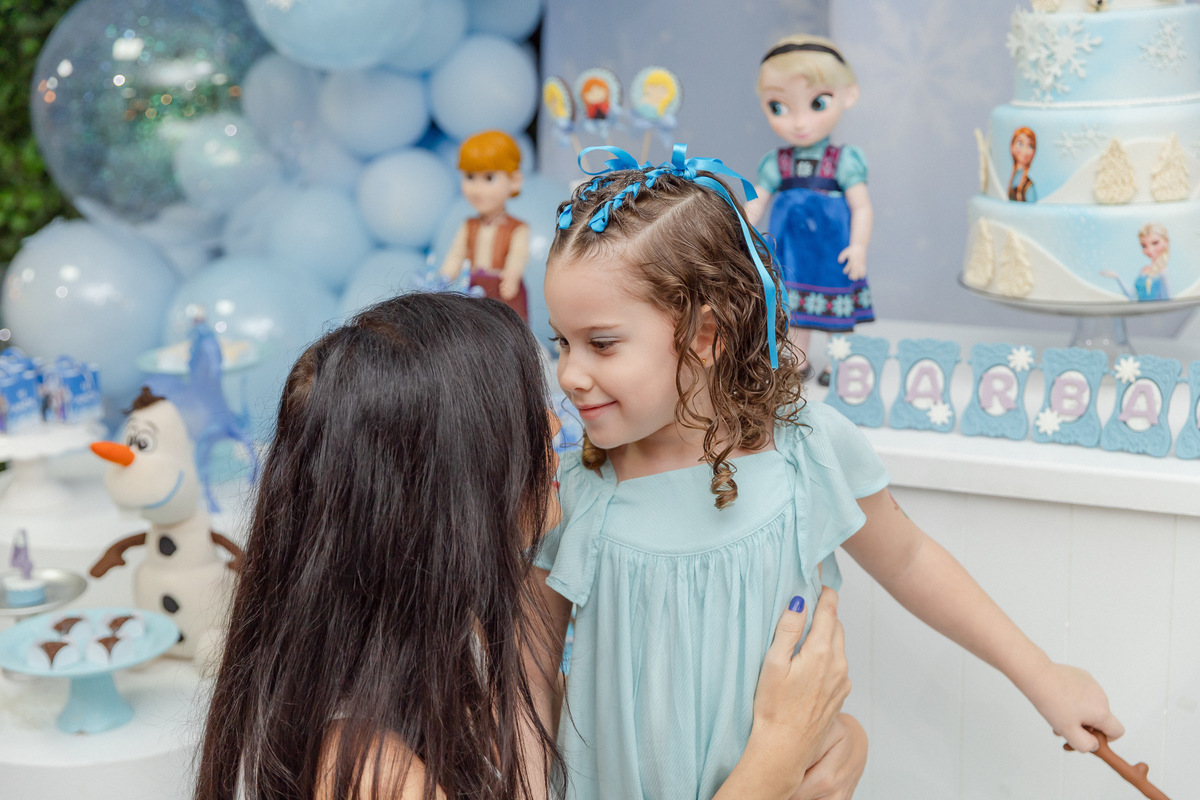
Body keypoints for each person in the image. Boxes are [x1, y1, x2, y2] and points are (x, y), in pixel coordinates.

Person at [539, 145, 1124, 800]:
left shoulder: (807, 450)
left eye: (601, 344)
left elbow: (909, 560)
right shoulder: (570, 493)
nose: (570, 373)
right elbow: (525, 686)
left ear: (704, 334)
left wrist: (1042, 675)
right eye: (561, 342)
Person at [195, 292, 866, 800]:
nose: (553, 422)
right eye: (519, 415)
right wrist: (774, 759)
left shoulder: (452, 673)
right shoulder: (367, 773)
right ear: (451, 485)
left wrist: (833, 743)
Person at [745, 36, 874, 386]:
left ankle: (839, 362)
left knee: (837, 310)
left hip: (833, 251)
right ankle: (797, 361)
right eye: (778, 107)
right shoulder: (777, 162)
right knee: (795, 310)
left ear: (848, 94)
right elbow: (757, 199)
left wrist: (859, 247)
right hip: (791, 252)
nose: (799, 122)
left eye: (817, 103)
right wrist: (740, 228)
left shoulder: (843, 161)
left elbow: (861, 207)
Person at [440, 131, 531, 322]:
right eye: (470, 177)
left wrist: (512, 275)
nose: (477, 189)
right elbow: (457, 253)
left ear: (514, 181)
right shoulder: (469, 226)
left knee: (507, 325)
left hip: (503, 288)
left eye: (489, 178)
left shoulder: (517, 228)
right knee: (476, 326)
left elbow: (518, 255)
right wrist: (446, 276)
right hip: (474, 287)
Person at [1101, 222, 1171, 301]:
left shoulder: (1163, 272)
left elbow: (1167, 300)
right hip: (1139, 308)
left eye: (1155, 243)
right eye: (1144, 246)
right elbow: (1131, 296)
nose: (1150, 249)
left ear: (1166, 242)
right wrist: (1117, 277)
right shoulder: (1144, 270)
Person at [1008, 127, 1038, 203]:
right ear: (1012, 146)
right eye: (1020, 144)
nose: (1025, 150)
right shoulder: (1014, 177)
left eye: (1030, 146)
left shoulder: (1029, 186)